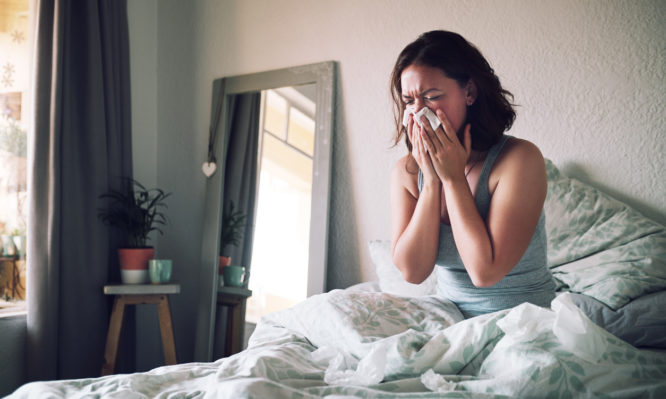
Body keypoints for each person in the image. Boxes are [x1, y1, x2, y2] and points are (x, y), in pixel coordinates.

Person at [389, 30, 555, 318]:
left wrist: (452, 179)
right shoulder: (407, 171)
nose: (418, 113)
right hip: (450, 322)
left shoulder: (519, 160)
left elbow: (484, 272)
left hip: (521, 321)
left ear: (469, 92)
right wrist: (431, 182)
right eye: (409, 101)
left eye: (431, 97)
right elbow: (413, 272)